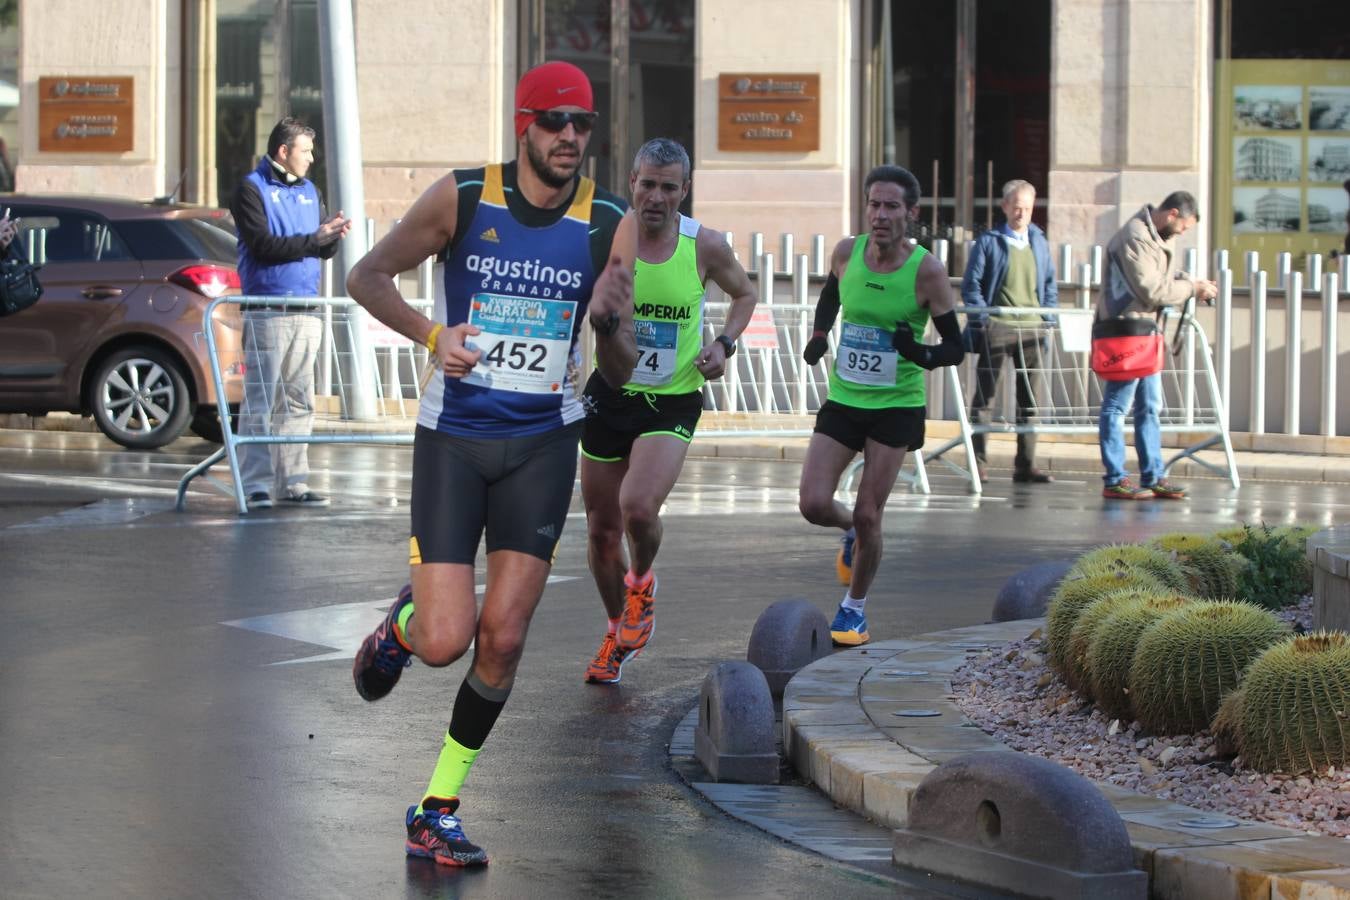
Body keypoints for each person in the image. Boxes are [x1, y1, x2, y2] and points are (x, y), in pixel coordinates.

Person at [345, 61, 637, 867]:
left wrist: (611, 329)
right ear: (523, 125)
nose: (571, 137)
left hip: (544, 443)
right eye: (554, 122)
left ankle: (435, 807)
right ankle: (407, 624)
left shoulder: (606, 219)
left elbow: (622, 364)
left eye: (583, 123)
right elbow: (365, 276)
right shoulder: (465, 198)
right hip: (455, 439)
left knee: (502, 640)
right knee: (447, 641)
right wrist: (433, 336)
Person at [579, 138, 756, 685]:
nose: (655, 197)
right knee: (601, 532)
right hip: (611, 391)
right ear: (631, 180)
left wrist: (724, 344)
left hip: (672, 396)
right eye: (646, 183)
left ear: (686, 189)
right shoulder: (610, 234)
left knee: (636, 507)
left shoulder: (703, 245)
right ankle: (616, 629)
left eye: (668, 187)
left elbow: (745, 295)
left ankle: (643, 580)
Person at [798, 165, 962, 646]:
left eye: (892, 206)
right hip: (846, 396)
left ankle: (854, 609)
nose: (881, 214)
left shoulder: (926, 271)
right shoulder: (847, 252)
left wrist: (919, 353)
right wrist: (819, 335)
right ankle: (852, 531)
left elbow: (955, 346)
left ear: (911, 213)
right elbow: (831, 293)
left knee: (872, 512)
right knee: (811, 503)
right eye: (874, 204)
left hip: (896, 405)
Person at [230, 117, 351, 510]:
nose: (311, 159)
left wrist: (330, 237)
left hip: (306, 307)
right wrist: (312, 240)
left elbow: (318, 247)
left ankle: (293, 483)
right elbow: (262, 245)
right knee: (261, 401)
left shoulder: (310, 190)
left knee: (299, 400)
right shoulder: (252, 189)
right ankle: (257, 485)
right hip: (267, 309)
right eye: (306, 151)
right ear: (284, 151)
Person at [1097, 191, 1217, 501]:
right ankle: (1114, 478)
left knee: (1150, 406)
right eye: (1184, 227)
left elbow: (1157, 279)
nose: (1183, 233)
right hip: (1126, 331)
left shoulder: (1155, 235)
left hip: (1144, 333)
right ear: (1172, 214)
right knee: (1117, 405)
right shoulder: (1135, 237)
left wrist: (1187, 281)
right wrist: (1191, 287)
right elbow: (1151, 289)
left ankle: (1153, 475)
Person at [961, 179, 1058, 484]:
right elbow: (971, 285)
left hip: (1032, 329)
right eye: (1016, 206)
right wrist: (985, 319)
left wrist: (1047, 319)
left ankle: (1025, 464)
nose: (1021, 213)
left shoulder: (1039, 242)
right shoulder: (989, 242)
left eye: (1027, 208)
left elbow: (1049, 284)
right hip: (998, 326)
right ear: (1004, 207)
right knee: (985, 397)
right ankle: (978, 464)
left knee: (1029, 399)